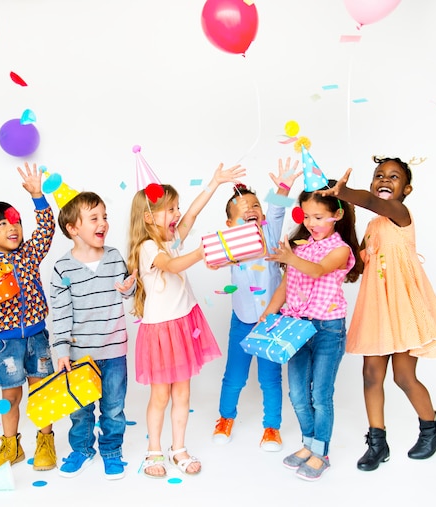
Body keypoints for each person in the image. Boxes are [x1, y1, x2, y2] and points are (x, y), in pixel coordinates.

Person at [320, 157, 436, 472]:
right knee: (370, 375)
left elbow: (369, 200)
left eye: (393, 176)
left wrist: (344, 191)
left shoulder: (400, 214)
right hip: (377, 309)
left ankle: (432, 429)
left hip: (404, 307)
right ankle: (377, 442)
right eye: (379, 175)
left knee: (403, 376)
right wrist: (343, 216)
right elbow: (356, 265)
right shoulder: (372, 226)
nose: (385, 179)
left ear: (406, 189)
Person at [127, 162, 246, 478]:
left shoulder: (168, 237)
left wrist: (215, 182)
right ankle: (154, 449)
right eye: (170, 209)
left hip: (182, 324)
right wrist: (204, 250)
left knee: (183, 394)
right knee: (161, 395)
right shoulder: (148, 247)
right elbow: (173, 265)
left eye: (176, 207)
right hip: (161, 331)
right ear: (150, 217)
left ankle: (177, 448)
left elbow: (192, 214)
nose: (177, 213)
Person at [260, 181, 362, 481]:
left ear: (337, 215)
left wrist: (290, 257)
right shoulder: (301, 246)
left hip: (328, 329)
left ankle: (322, 453)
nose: (310, 223)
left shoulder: (341, 249)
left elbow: (317, 270)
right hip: (295, 326)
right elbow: (284, 287)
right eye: (306, 216)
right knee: (297, 393)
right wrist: (266, 318)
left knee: (320, 394)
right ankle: (308, 443)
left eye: (318, 217)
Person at [0, 162, 57, 474]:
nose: (12, 228)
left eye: (14, 222)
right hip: (4, 343)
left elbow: (46, 229)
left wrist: (38, 196)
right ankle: (11, 445)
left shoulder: (29, 254)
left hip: (37, 336)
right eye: (1, 225)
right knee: (11, 394)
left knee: (41, 389)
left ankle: (45, 441)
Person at [212, 158, 302, 450]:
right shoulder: (229, 244)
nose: (251, 210)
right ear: (229, 224)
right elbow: (212, 255)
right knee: (234, 376)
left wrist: (283, 188)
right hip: (241, 320)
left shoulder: (270, 234)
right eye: (242, 209)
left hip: (271, 320)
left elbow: (276, 211)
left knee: (270, 378)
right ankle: (225, 418)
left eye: (255, 206)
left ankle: (272, 428)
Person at [49, 191, 137, 480]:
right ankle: (83, 449)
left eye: (105, 217)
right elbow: (61, 313)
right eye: (94, 218)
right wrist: (62, 352)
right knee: (80, 410)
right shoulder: (63, 267)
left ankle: (111, 451)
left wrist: (130, 289)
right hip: (78, 355)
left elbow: (129, 289)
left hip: (113, 351)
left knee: (113, 408)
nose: (103, 223)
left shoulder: (114, 257)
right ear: (73, 229)